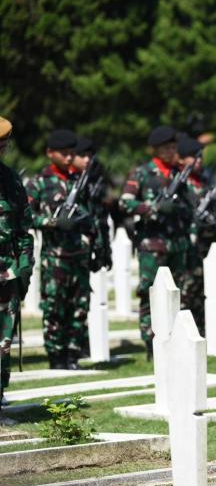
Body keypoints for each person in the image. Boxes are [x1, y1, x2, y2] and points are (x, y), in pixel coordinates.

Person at [119, 126, 193, 358]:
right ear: (155, 149)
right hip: (152, 244)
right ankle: (151, 340)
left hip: (177, 243)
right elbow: (125, 203)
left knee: (178, 293)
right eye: (167, 147)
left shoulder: (179, 174)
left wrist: (180, 208)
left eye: (174, 147)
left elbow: (191, 204)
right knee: (150, 292)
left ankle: (175, 339)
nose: (172, 151)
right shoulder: (142, 173)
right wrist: (153, 208)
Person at [27, 130, 94, 369]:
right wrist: (53, 222)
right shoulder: (38, 183)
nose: (68, 158)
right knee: (54, 308)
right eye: (63, 154)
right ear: (50, 153)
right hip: (55, 259)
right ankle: (56, 356)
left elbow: (90, 214)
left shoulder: (79, 181)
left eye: (71, 154)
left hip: (79, 255)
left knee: (79, 307)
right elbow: (26, 218)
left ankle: (73, 355)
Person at [0, 116, 34, 391]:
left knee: (3, 344)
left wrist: (24, 268)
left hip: (6, 272)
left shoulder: (10, 180)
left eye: (3, 147)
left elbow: (23, 230)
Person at [71, 136, 111, 357]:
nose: (87, 160)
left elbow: (101, 218)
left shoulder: (93, 181)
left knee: (83, 298)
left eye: (89, 156)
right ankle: (70, 347)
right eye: (82, 155)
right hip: (71, 249)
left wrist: (105, 250)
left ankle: (81, 343)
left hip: (89, 247)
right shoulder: (69, 183)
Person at [177, 136, 210, 334]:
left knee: (199, 294)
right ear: (181, 159)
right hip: (184, 246)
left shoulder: (202, 182)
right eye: (193, 157)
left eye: (200, 157)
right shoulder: (179, 183)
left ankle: (199, 333)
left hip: (201, 247)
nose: (199, 161)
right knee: (184, 294)